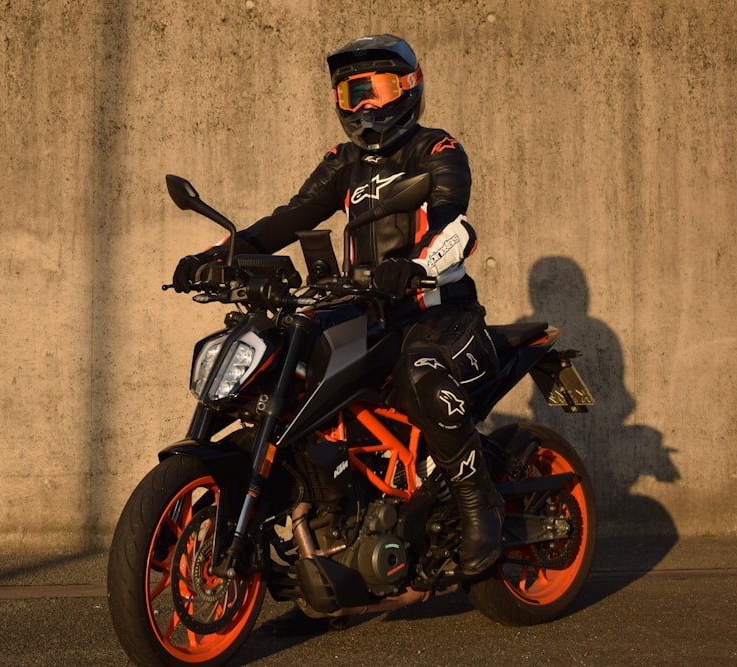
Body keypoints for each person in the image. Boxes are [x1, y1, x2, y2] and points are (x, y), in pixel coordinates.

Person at [173, 34, 504, 627]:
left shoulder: (438, 148)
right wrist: (218, 254)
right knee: (297, 384)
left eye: (374, 88)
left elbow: (457, 219)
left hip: (437, 311)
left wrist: (417, 265)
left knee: (422, 376)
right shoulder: (342, 162)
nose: (365, 104)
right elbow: (290, 218)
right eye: (352, 91)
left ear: (408, 87)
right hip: (369, 309)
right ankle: (325, 532)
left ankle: (480, 506)